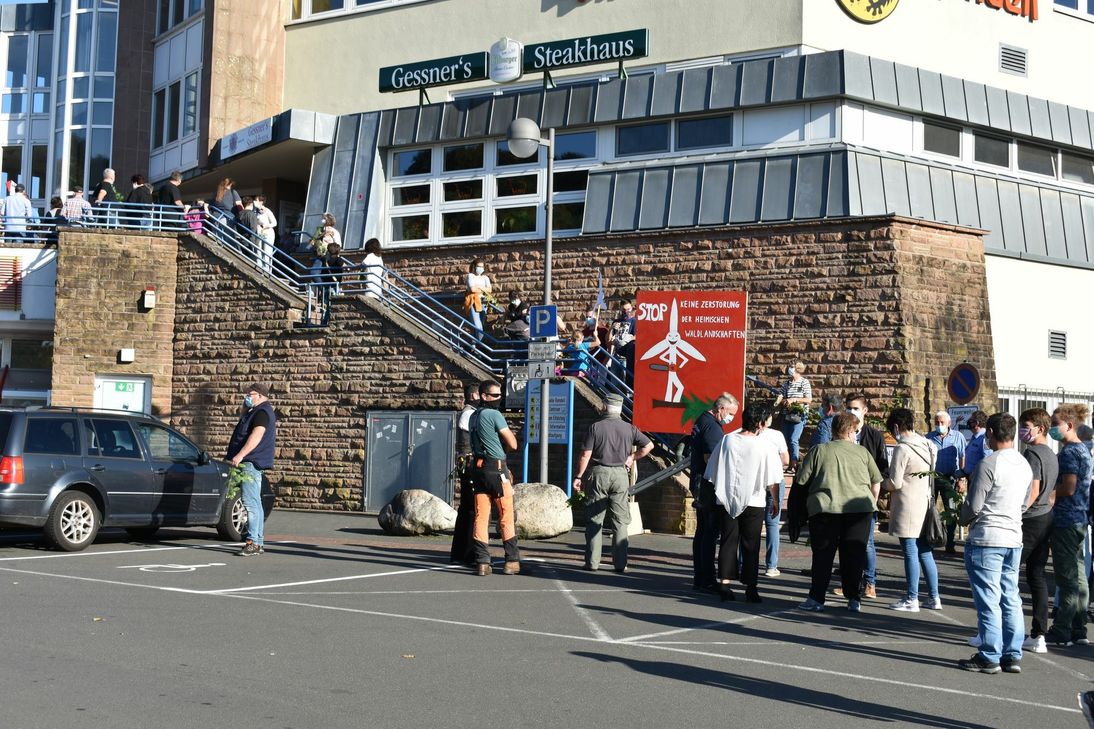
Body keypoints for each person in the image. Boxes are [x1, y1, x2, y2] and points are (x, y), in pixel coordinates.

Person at [957, 413, 1031, 674]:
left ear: (990, 432)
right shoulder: (1023, 464)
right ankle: (1012, 653)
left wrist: (962, 512)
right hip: (1013, 536)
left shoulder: (989, 464)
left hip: (988, 536)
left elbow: (974, 507)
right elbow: (1024, 502)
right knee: (1010, 596)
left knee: (988, 599)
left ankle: (989, 654)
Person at [795, 412, 881, 613]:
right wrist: (872, 502)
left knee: (823, 555)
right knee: (854, 555)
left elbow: (801, 480)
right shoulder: (862, 453)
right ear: (850, 431)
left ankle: (816, 598)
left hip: (826, 507)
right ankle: (853, 598)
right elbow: (876, 482)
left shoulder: (819, 451)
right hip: (860, 509)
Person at [704, 402, 783, 603]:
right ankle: (751, 587)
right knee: (751, 544)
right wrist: (775, 500)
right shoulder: (764, 444)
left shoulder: (727, 440)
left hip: (727, 498)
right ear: (759, 423)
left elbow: (712, 468)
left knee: (728, 541)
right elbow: (772, 477)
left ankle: (724, 583)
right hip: (754, 500)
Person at [573, 393, 653, 573]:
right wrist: (632, 458)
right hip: (620, 474)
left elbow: (586, 454)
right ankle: (620, 563)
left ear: (605, 406)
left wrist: (578, 476)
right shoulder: (629, 428)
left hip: (599, 473)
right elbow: (648, 446)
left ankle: (592, 562)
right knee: (620, 521)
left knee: (595, 519)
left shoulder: (596, 427)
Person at [882, 407, 941, 613]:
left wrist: (881, 483)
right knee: (925, 552)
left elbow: (895, 482)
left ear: (896, 427)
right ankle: (934, 596)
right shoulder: (928, 444)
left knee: (909, 552)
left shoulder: (902, 448)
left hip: (907, 505)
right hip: (925, 503)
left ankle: (911, 598)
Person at [1044, 403, 1092, 647]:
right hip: (1079, 518)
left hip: (1066, 519)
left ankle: (1062, 628)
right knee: (1079, 575)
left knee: (1066, 578)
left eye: (1055, 424)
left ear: (1069, 425)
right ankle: (1078, 627)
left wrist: (1050, 494)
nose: (1052, 428)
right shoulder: (1084, 450)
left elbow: (1069, 487)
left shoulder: (1070, 453)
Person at [1015, 407, 1058, 654]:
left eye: (1026, 426)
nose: (1023, 431)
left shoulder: (1032, 454)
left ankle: (1002, 630)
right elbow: (1051, 491)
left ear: (1039, 429)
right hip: (1045, 517)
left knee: (1008, 573)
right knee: (1037, 576)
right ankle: (1039, 633)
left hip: (1031, 519)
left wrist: (1019, 511)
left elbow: (1033, 489)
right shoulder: (1052, 454)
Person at [469, 380, 519, 575]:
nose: (499, 398)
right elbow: (513, 444)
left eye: (500, 395)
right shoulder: (494, 414)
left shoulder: (473, 416)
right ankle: (512, 560)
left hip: (478, 468)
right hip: (496, 468)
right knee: (506, 513)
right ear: (484, 396)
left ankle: (482, 561)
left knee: (481, 515)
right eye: (495, 395)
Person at [690, 393, 738, 593]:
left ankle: (701, 576)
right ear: (721, 409)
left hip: (699, 481)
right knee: (709, 532)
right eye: (731, 414)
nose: (732, 418)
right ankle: (707, 578)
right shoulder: (712, 427)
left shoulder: (702, 419)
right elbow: (711, 457)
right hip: (707, 484)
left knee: (702, 532)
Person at [226, 382, 277, 557]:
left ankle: (253, 542)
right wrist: (244, 407)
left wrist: (240, 455)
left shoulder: (262, 412)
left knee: (250, 503)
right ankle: (258, 542)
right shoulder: (255, 411)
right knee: (255, 502)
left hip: (250, 462)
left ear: (261, 395)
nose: (247, 397)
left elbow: (256, 436)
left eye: (250, 394)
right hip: (251, 461)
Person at [846, 392, 888, 600]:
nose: (851, 412)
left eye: (855, 408)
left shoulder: (874, 436)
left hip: (866, 495)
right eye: (849, 408)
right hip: (845, 495)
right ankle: (851, 582)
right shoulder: (841, 433)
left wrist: (875, 491)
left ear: (864, 411)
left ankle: (870, 583)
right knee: (847, 542)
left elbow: (883, 467)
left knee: (867, 542)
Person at [927, 410, 967, 555]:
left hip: (950, 479)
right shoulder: (929, 437)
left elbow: (963, 457)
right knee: (929, 510)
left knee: (950, 512)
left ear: (949, 423)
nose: (939, 425)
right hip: (933, 478)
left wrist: (962, 479)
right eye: (937, 422)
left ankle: (950, 543)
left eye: (942, 423)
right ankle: (930, 541)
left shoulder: (958, 437)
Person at [449, 384, 480, 566]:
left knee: (467, 509)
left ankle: (461, 552)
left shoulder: (469, 413)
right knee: (470, 509)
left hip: (467, 464)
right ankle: (466, 552)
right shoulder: (469, 414)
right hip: (469, 465)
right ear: (474, 395)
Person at [760, 411, 789, 577]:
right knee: (772, 523)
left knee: (751, 523)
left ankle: (743, 562)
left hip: (756, 480)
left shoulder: (749, 434)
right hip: (775, 480)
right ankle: (771, 566)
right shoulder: (777, 435)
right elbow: (785, 459)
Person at [778, 360, 811, 472]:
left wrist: (794, 399)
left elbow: (808, 399)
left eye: (791, 366)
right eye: (789, 366)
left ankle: (794, 464)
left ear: (797, 368)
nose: (789, 368)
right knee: (785, 440)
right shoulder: (786, 384)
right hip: (786, 415)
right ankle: (785, 463)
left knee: (793, 439)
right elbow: (780, 397)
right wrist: (784, 401)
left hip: (799, 415)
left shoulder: (804, 382)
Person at [463, 259, 491, 340]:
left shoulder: (485, 277)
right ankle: (480, 346)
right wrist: (483, 289)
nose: (480, 268)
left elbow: (489, 290)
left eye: (482, 267)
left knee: (479, 327)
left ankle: (474, 346)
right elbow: (472, 289)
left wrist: (478, 287)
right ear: (474, 266)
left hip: (484, 303)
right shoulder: (470, 276)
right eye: (478, 266)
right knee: (478, 327)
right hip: (473, 302)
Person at [255, 196, 277, 274]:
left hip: (268, 232)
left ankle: (267, 270)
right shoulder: (255, 211)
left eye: (256, 200)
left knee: (267, 250)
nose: (255, 202)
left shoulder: (267, 211)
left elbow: (274, 223)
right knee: (259, 249)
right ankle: (259, 267)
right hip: (259, 232)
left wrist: (266, 226)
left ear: (261, 202)